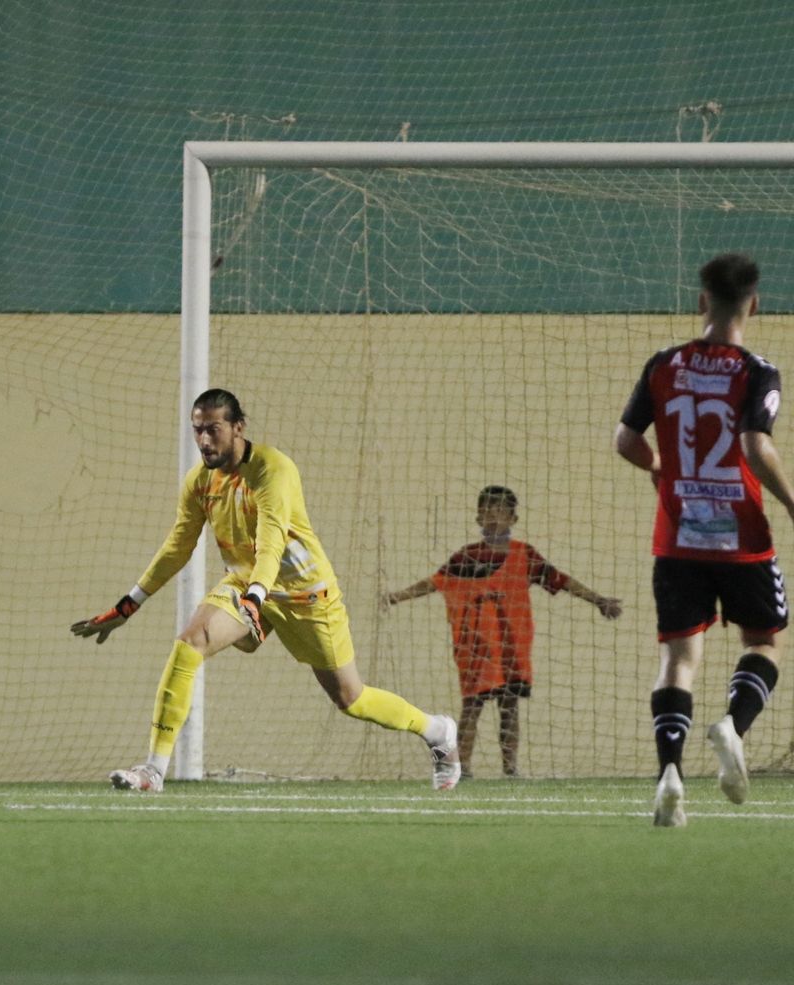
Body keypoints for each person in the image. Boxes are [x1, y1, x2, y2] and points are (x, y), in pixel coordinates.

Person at [71, 388, 460, 792]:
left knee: (351, 699)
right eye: (197, 430)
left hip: (305, 595)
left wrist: (257, 595)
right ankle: (153, 770)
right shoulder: (199, 483)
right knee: (190, 642)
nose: (204, 441)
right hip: (246, 585)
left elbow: (271, 538)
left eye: (214, 430)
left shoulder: (274, 470)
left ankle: (436, 731)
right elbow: (178, 546)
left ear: (239, 427)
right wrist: (129, 605)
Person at [615, 253, 794, 827]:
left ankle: (670, 775)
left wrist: (662, 466)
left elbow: (624, 440)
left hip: (677, 537)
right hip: (741, 535)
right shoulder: (757, 370)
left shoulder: (663, 365)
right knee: (764, 641)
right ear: (753, 305)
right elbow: (753, 446)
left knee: (677, 661)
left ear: (701, 302)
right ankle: (733, 727)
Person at [382, 486, 622, 779]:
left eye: (501, 511)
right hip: (477, 645)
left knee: (510, 706)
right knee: (473, 704)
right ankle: (462, 767)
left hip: (512, 645)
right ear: (477, 518)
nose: (493, 517)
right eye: (487, 511)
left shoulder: (525, 555)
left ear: (513, 518)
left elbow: (560, 579)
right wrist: (399, 596)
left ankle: (511, 768)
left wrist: (598, 600)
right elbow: (435, 582)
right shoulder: (467, 557)